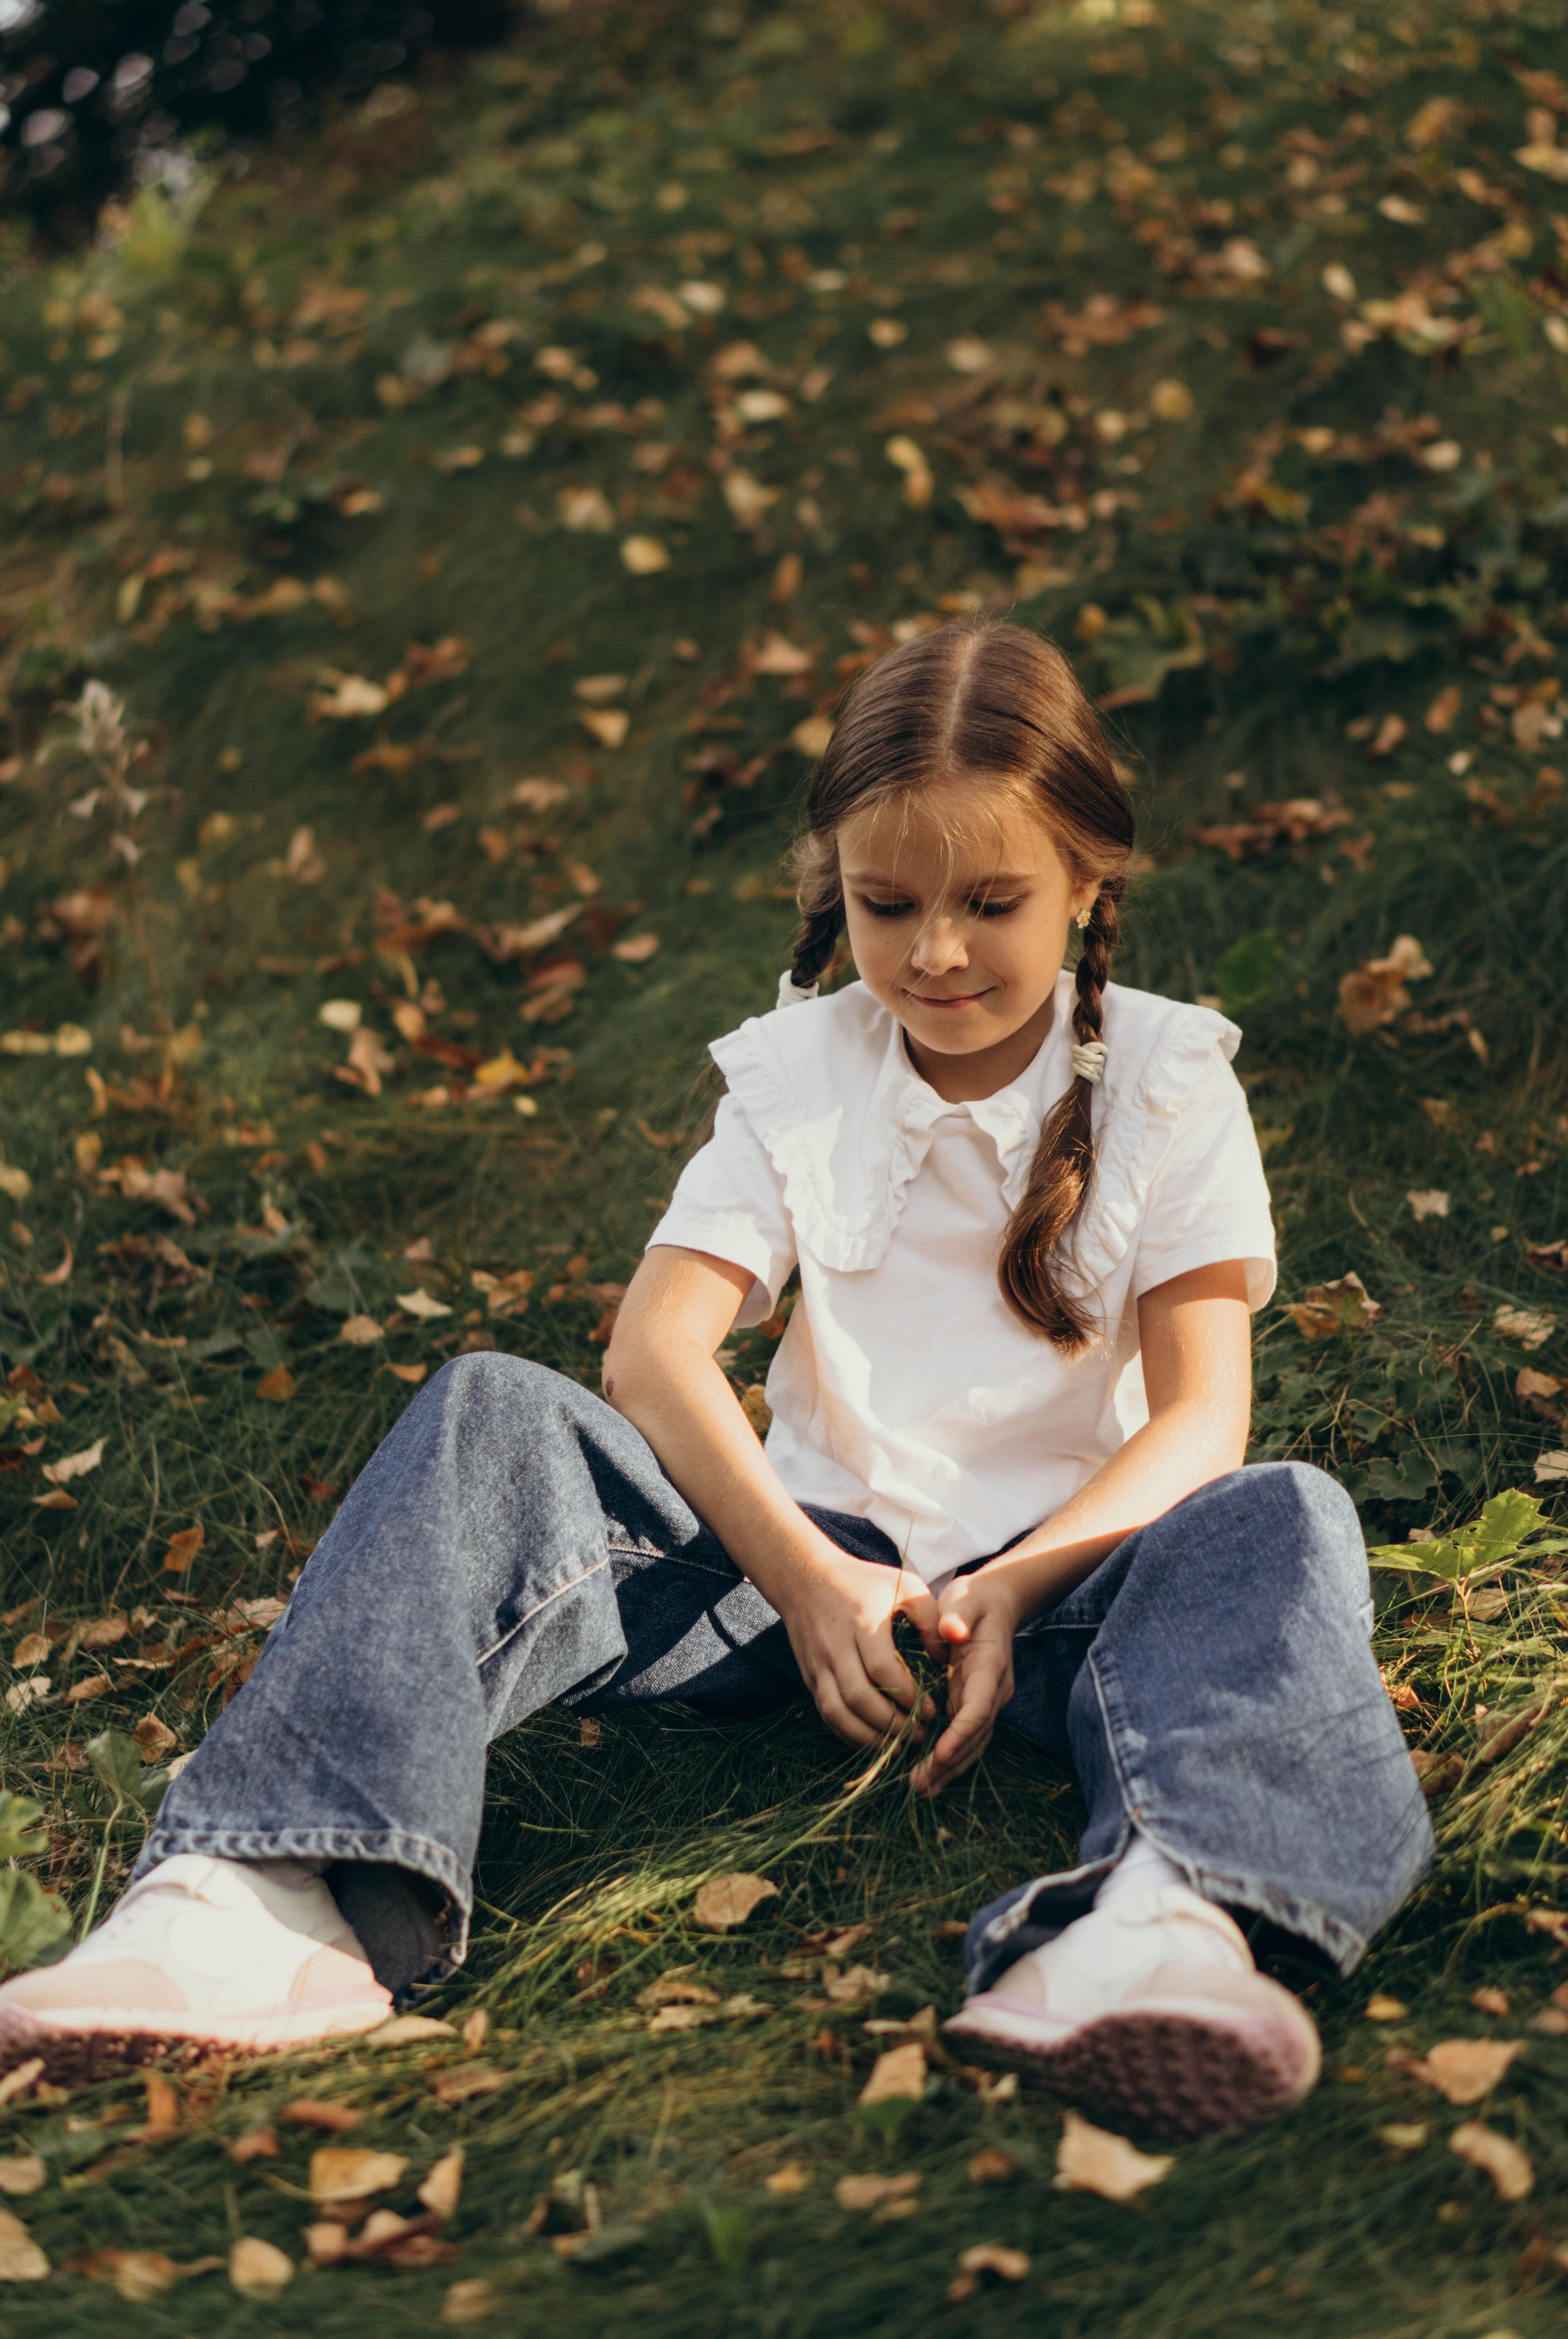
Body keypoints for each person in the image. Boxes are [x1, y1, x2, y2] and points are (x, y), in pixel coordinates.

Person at [0, 621, 1432, 2136]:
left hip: (1078, 1594)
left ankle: (1167, 1920)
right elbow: (652, 1350)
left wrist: (1011, 1589)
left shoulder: (1165, 1077)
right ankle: (256, 1897)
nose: (935, 952)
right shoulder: (798, 1073)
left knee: (1280, 1515)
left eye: (990, 903)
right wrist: (810, 1580)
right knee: (490, 1406)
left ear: (1088, 884)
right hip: (800, 1576)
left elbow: (1205, 1415)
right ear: (834, 887)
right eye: (888, 906)